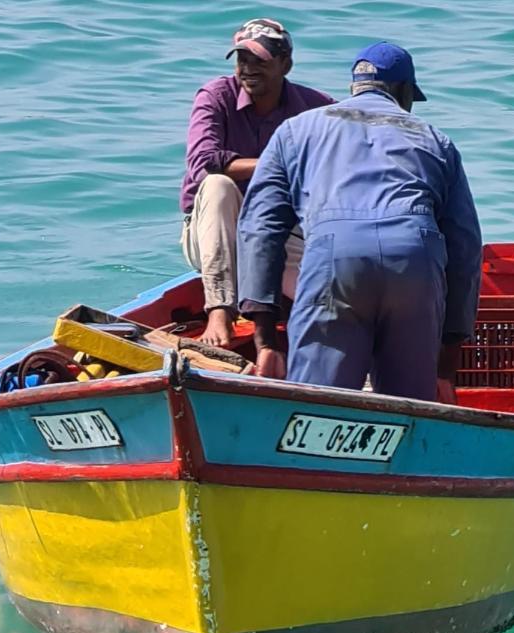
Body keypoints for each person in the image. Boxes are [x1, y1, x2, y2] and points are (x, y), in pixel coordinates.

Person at [236, 41, 482, 401]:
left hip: (335, 259)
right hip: (413, 257)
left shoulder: (294, 131)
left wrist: (266, 342)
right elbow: (464, 248)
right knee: (409, 411)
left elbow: (260, 230)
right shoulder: (435, 139)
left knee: (317, 407)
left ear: (355, 88)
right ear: (403, 92)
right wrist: (445, 368)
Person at [179, 18, 333, 347]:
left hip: (281, 232)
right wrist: (276, 163)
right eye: (242, 60)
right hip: (217, 232)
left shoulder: (315, 107)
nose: (248, 69)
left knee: (330, 305)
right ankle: (220, 309)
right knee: (218, 185)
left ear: (285, 65)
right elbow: (203, 163)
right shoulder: (215, 96)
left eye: (259, 61)